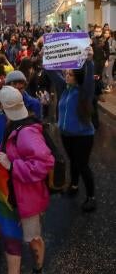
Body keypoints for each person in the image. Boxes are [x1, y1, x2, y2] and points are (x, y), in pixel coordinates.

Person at [0, 86, 54, 274]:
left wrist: (13, 166)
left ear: (3, 108)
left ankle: (38, 271)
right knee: (16, 237)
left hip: (28, 198)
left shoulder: (26, 132)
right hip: (16, 195)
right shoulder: (14, 124)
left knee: (33, 238)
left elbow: (45, 163)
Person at [46, 49, 96, 212]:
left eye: (70, 74)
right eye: (66, 73)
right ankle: (74, 186)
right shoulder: (64, 88)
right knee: (73, 162)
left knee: (82, 165)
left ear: (77, 77)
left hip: (83, 136)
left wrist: (89, 61)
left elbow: (89, 79)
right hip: (66, 134)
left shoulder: (84, 92)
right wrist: (47, 56)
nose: (66, 76)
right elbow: (52, 72)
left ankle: (91, 197)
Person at [0, 70, 41, 153]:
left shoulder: (33, 104)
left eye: (20, 87)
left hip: (21, 149)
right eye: (14, 86)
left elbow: (36, 128)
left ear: (25, 86)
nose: (17, 90)